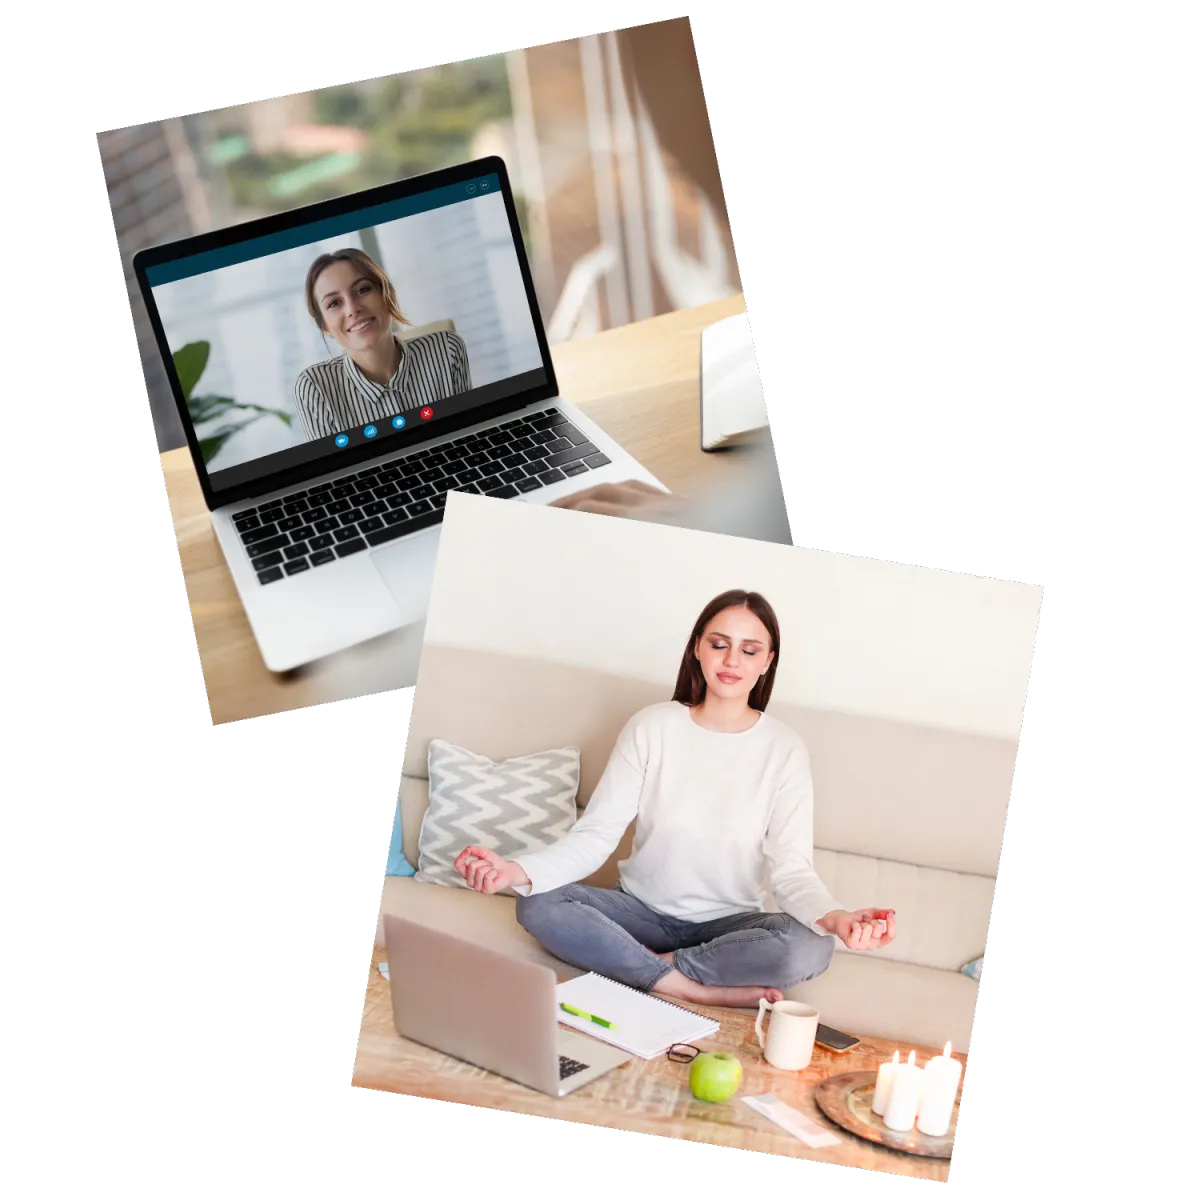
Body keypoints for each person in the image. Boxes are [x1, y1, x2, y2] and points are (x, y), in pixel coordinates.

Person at [453, 590, 897, 1009]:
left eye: (749, 650)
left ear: (767, 662)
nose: (731, 660)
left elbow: (792, 868)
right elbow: (597, 833)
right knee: (537, 900)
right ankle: (690, 987)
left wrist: (837, 918)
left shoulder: (785, 750)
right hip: (639, 911)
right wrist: (518, 870)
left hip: (730, 926)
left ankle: (653, 967)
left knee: (811, 946)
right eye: (719, 644)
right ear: (697, 648)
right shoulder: (653, 727)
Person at [293, 248, 472, 442]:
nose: (353, 309)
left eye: (363, 290)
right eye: (334, 303)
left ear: (387, 295)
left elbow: (466, 437)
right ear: (325, 326)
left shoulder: (448, 349)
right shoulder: (314, 388)